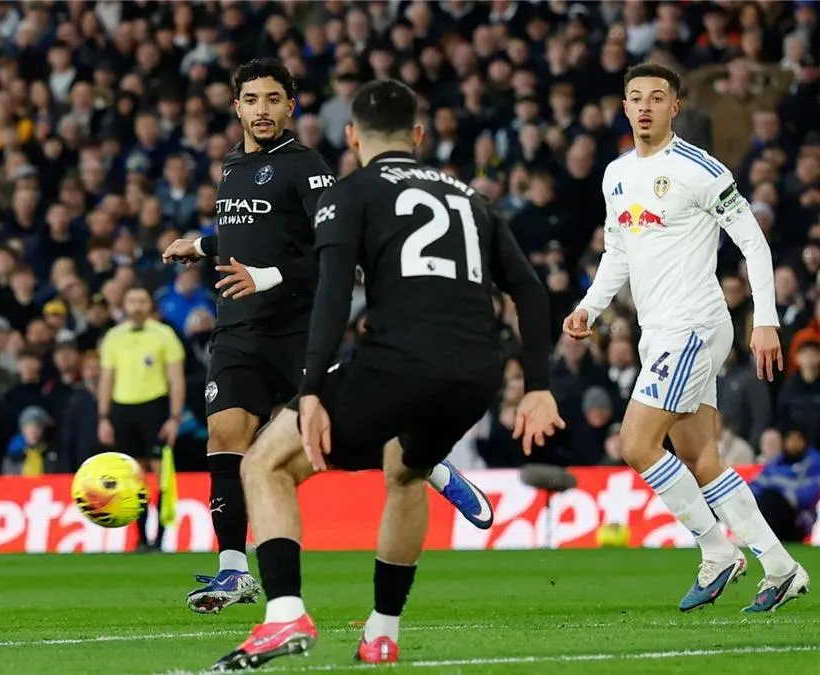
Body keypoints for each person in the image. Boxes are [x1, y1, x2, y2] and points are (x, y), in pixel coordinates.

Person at [210, 79, 563, 671]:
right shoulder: (469, 197)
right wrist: (538, 387)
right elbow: (528, 289)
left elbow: (332, 292)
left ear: (352, 137)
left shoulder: (350, 193)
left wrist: (311, 389)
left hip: (397, 363)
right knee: (405, 473)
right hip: (476, 376)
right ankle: (382, 631)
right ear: (418, 136)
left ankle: (284, 614)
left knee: (264, 464)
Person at [162, 58, 497, 614]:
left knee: (324, 442)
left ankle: (426, 460)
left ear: (290, 107)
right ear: (237, 107)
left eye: (274, 99)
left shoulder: (306, 166)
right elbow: (253, 234)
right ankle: (234, 570)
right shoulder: (232, 166)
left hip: (298, 331)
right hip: (239, 329)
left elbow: (333, 249)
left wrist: (267, 277)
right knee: (225, 434)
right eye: (252, 99)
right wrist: (200, 246)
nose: (262, 109)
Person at [563, 63, 809, 613]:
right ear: (624, 107)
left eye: (657, 97)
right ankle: (780, 567)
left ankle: (717, 552)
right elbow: (618, 251)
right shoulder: (616, 174)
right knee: (701, 458)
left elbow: (754, 243)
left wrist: (765, 320)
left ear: (675, 107)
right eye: (635, 97)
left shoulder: (700, 170)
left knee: (636, 444)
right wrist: (589, 307)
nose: (645, 107)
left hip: (694, 325)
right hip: (657, 332)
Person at [97, 285, 186, 552]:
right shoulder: (113, 336)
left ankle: (161, 538)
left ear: (150, 305)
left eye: (142, 301)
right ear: (124, 305)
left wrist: (175, 417)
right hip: (123, 409)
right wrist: (104, 417)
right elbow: (106, 379)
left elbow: (176, 378)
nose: (136, 306)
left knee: (161, 475)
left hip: (154, 408)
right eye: (132, 301)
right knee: (133, 476)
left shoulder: (164, 334)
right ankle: (140, 538)